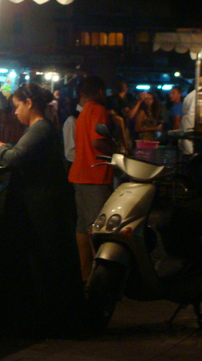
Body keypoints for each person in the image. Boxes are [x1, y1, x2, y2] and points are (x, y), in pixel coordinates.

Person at [0, 83, 88, 338]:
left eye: (17, 105)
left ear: (29, 103)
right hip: (44, 205)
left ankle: (55, 319)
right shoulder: (40, 128)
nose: (15, 112)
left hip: (44, 207)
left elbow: (15, 157)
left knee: (48, 261)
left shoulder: (41, 128)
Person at [68, 76, 116, 282]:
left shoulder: (83, 113)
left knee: (82, 225)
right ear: (99, 91)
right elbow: (98, 142)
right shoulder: (98, 110)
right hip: (94, 175)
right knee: (97, 227)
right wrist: (116, 151)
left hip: (80, 175)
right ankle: (99, 277)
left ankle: (84, 272)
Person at [180, 76, 202, 154]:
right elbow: (192, 114)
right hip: (192, 128)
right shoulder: (200, 95)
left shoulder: (189, 96)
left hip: (186, 126)